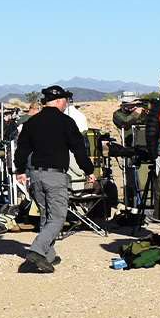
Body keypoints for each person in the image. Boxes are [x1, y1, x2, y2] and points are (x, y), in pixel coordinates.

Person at [12, 86, 93, 272]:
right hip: (55, 175)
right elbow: (78, 149)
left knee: (45, 215)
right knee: (58, 217)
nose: (67, 104)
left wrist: (20, 170)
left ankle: (49, 256)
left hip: (35, 174)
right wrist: (88, 170)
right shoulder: (66, 122)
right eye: (65, 100)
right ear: (59, 101)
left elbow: (22, 148)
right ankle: (37, 250)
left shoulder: (32, 122)